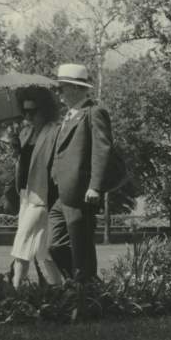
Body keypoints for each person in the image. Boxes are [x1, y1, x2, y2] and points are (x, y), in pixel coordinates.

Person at [48, 63, 114, 283]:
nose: (59, 94)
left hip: (81, 194)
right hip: (62, 194)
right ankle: (84, 284)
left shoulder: (94, 113)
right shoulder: (68, 117)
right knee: (55, 245)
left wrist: (95, 186)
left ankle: (87, 294)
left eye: (62, 88)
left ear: (77, 88)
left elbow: (101, 150)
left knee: (82, 249)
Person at [11, 92, 64, 287]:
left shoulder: (55, 131)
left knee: (21, 241)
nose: (28, 116)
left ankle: (15, 288)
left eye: (32, 111)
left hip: (43, 196)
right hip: (25, 195)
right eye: (24, 111)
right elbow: (25, 164)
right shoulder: (24, 133)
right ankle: (59, 288)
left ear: (45, 110)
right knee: (43, 249)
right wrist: (17, 152)